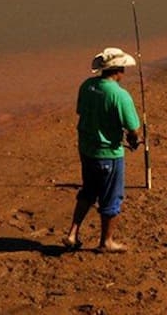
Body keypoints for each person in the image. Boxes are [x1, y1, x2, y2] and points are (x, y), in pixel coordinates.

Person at [64, 47, 141, 253]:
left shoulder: (87, 86)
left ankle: (72, 233)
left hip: (86, 150)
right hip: (108, 155)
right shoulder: (120, 95)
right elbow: (133, 129)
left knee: (88, 191)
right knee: (111, 198)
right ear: (118, 70)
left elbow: (82, 111)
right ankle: (106, 242)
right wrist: (134, 140)